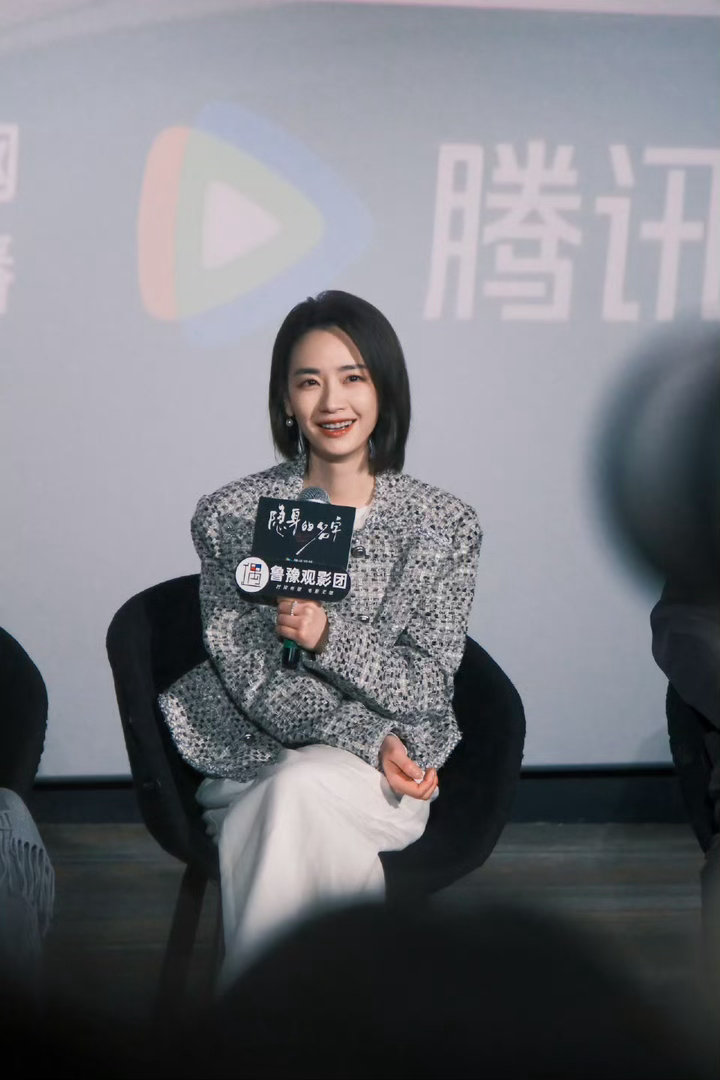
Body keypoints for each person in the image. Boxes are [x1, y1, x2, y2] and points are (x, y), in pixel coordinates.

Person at [159, 290, 482, 984]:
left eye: (352, 377)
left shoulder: (442, 525)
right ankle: (343, 1026)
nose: (332, 401)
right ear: (286, 400)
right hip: (255, 757)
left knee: (293, 801)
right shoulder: (234, 515)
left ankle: (255, 1025)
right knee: (293, 793)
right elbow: (255, 677)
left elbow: (427, 682)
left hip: (381, 777)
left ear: (384, 389)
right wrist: (369, 734)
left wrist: (330, 635)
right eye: (309, 382)